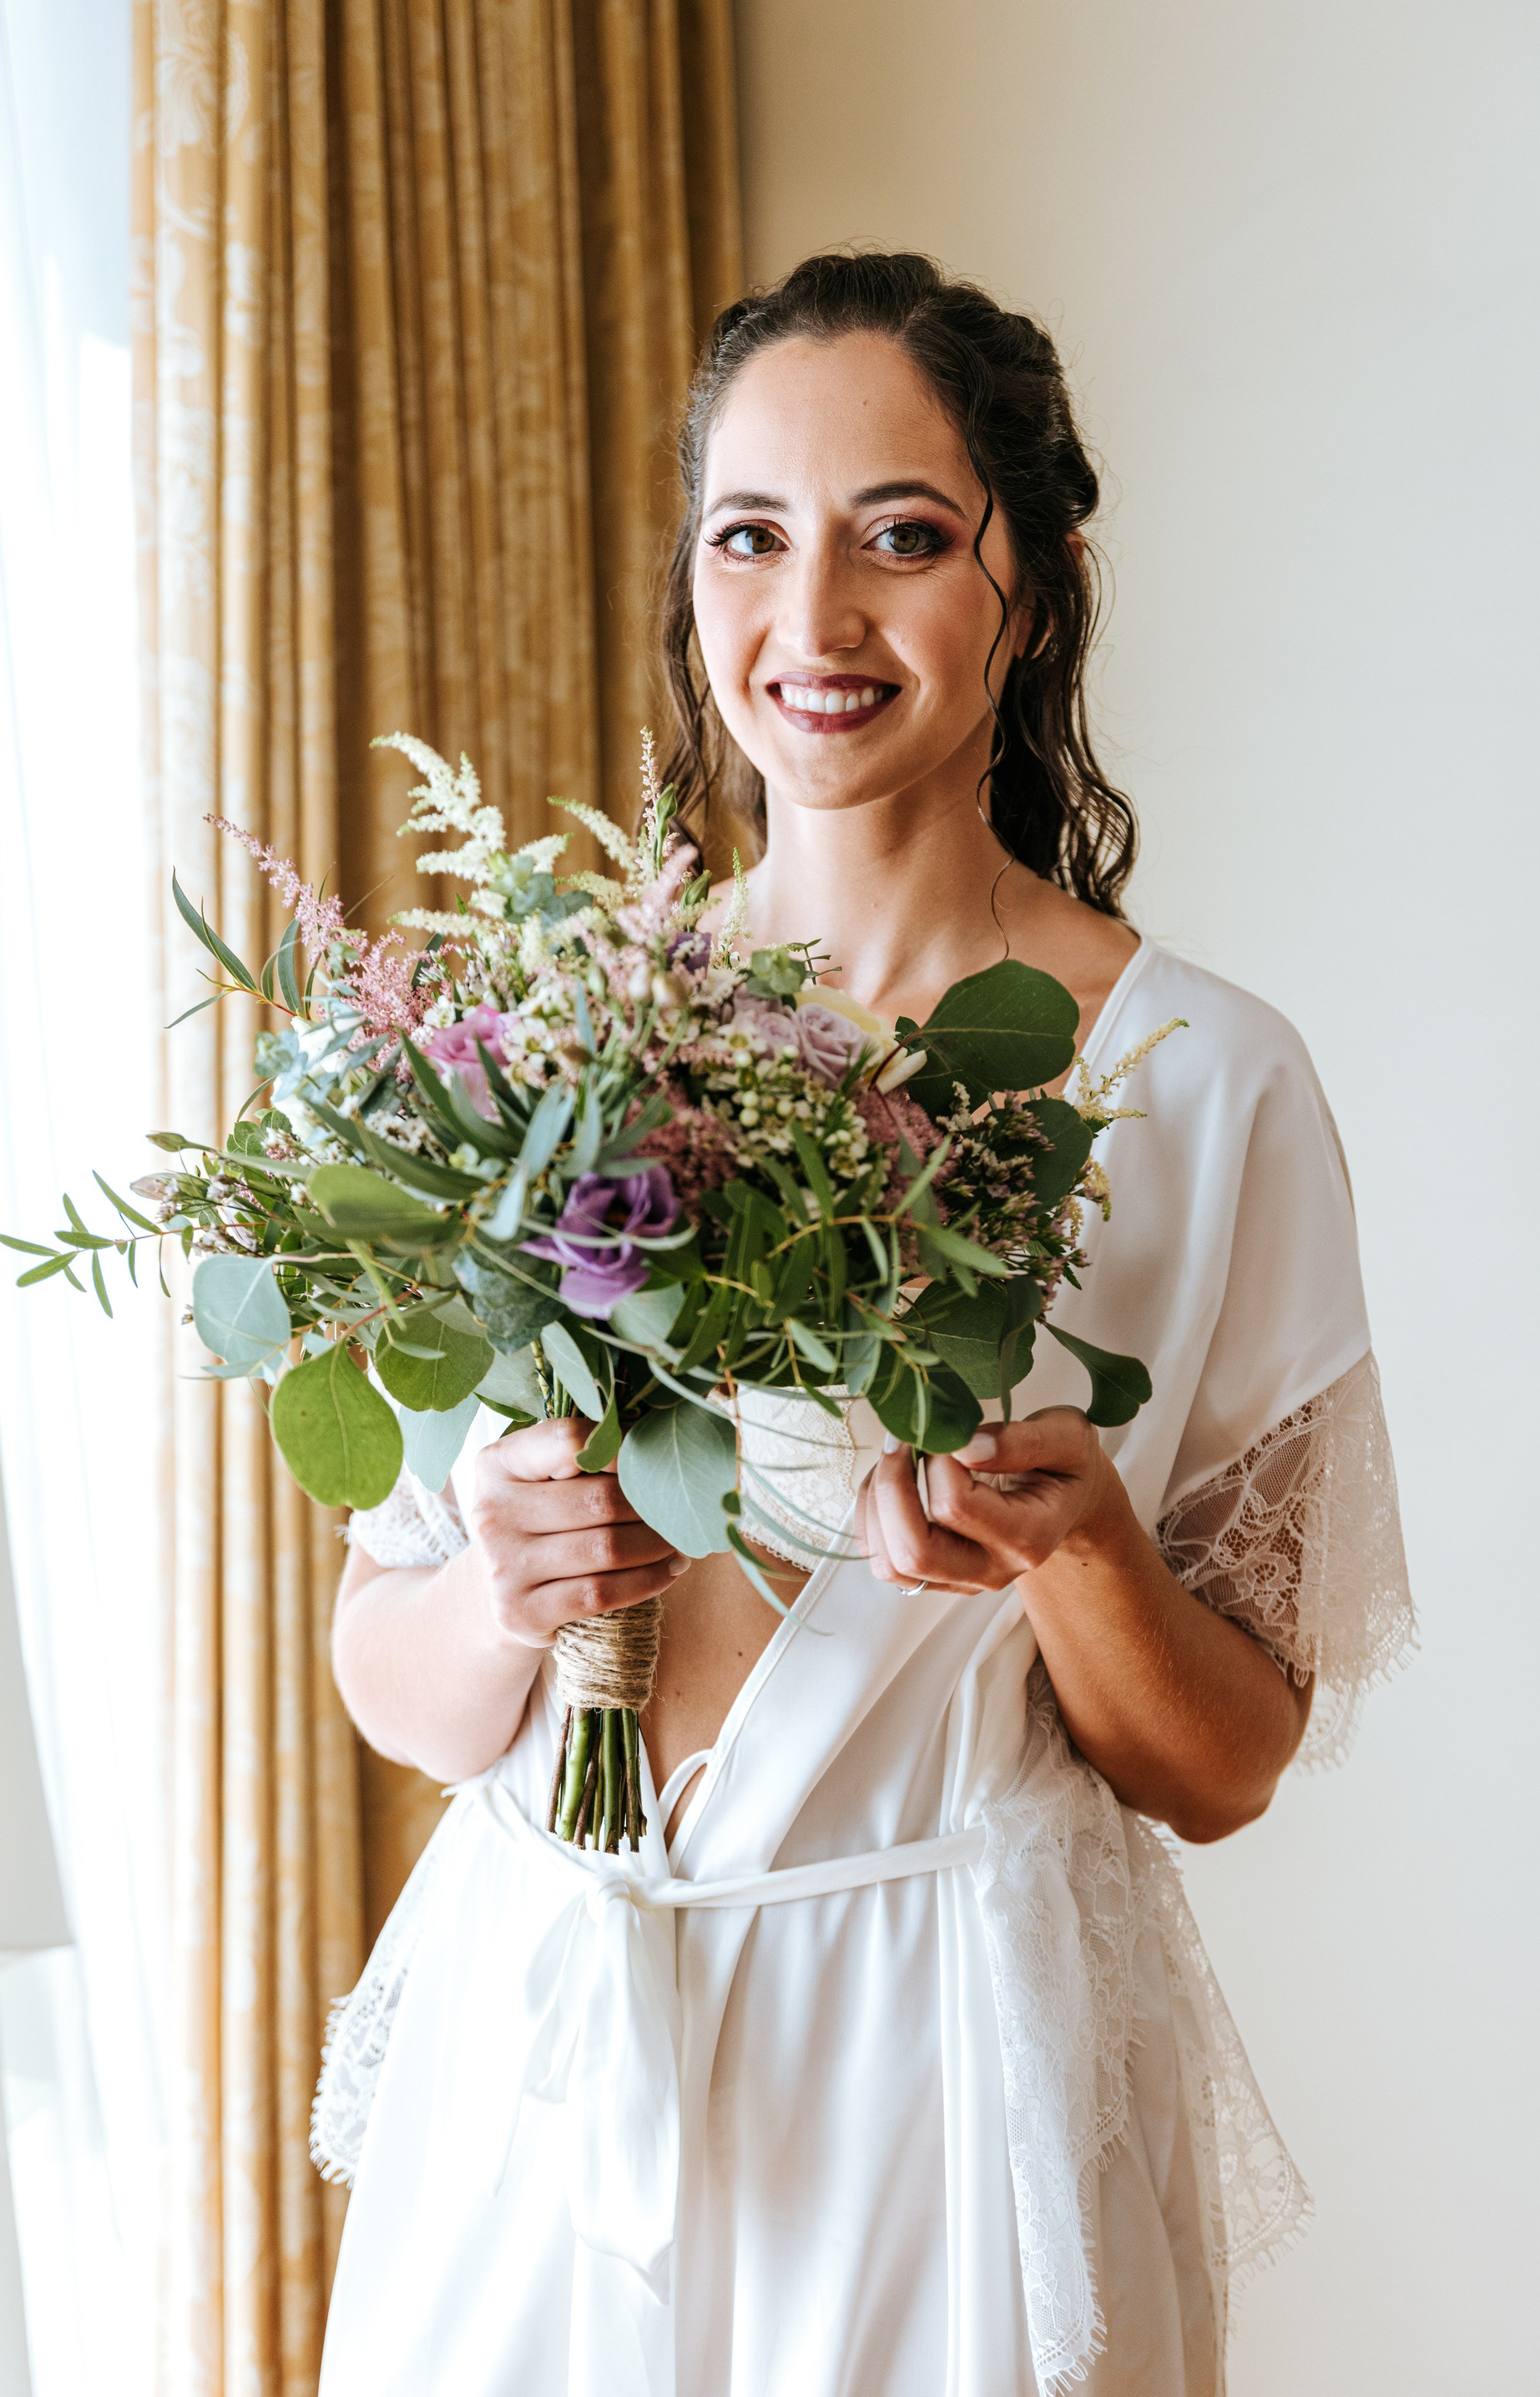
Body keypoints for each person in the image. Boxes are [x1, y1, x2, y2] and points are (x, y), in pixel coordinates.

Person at [316, 253, 1413, 2397]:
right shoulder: (542, 1042)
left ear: (1034, 585)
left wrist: (1080, 1553)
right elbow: (403, 1684)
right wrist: (502, 1593)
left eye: (900, 536)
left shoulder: (1206, 1086)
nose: (811, 619)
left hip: (939, 2060)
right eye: (751, 536)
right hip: (546, 2051)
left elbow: (1223, 1769)